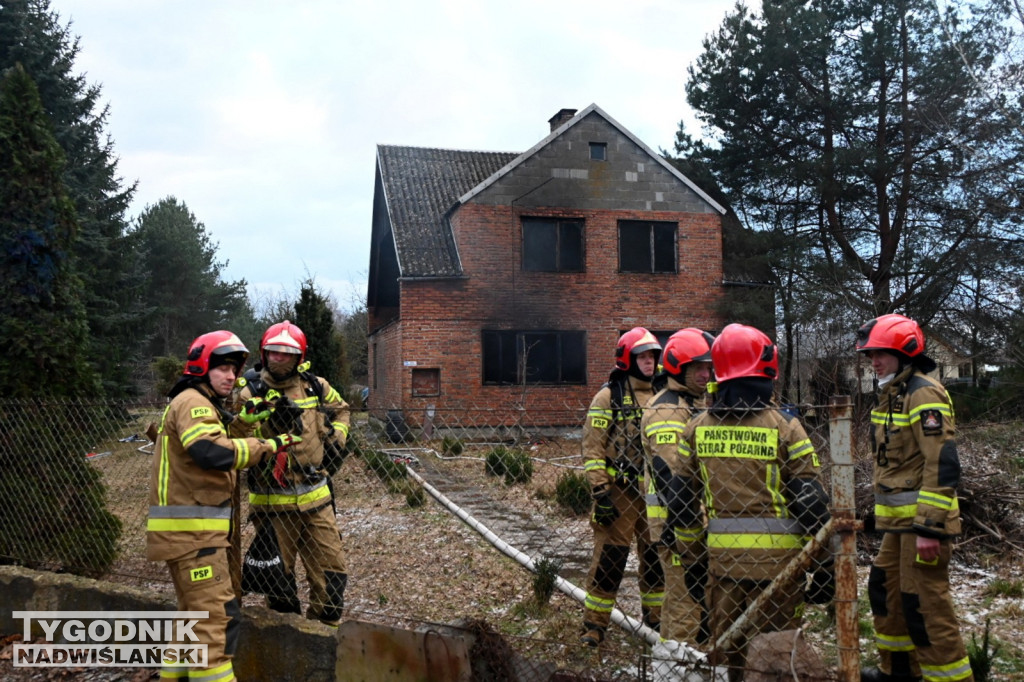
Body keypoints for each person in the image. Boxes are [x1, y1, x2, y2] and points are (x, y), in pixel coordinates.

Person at [146, 330, 303, 682]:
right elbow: (210, 452)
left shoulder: (192, 401)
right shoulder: (194, 403)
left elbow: (210, 443)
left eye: (234, 369)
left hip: (189, 535)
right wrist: (268, 444)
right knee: (216, 619)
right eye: (223, 368)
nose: (231, 376)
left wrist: (243, 424)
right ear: (202, 367)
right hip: (195, 536)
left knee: (192, 616)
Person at [678, 323, 828, 680]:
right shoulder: (786, 428)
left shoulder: (696, 428)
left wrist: (693, 561)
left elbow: (681, 504)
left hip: (722, 566)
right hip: (780, 571)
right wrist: (824, 565)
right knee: (775, 658)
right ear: (766, 369)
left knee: (731, 655)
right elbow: (811, 503)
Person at [856, 314, 973, 682]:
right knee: (886, 591)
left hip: (922, 526)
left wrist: (929, 527)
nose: (874, 361)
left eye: (882, 354)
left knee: (923, 605)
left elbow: (942, 461)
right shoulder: (893, 393)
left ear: (905, 354)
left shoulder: (923, 392)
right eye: (871, 354)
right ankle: (900, 673)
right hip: (900, 525)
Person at [235, 320, 352, 626]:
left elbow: (342, 409)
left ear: (300, 357)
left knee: (332, 585)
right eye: (273, 352)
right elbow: (235, 440)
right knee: (279, 593)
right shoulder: (250, 393)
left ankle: (321, 647)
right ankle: (289, 653)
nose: (279, 358)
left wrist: (336, 438)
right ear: (264, 353)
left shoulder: (316, 386)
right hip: (273, 507)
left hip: (317, 501)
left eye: (287, 354)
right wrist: (263, 430)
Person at [580, 327, 666, 647]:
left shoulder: (662, 395)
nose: (649, 362)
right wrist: (601, 492)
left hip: (656, 493)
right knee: (611, 559)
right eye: (642, 356)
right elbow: (593, 447)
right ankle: (595, 623)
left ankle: (655, 618)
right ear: (627, 358)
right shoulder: (609, 396)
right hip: (620, 492)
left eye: (652, 356)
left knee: (655, 557)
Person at [640, 328, 715, 646]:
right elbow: (676, 482)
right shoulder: (669, 411)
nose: (706, 373)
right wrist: (688, 525)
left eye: (709, 366)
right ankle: (680, 669)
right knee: (687, 608)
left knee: (682, 604)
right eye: (698, 366)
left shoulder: (687, 404)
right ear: (678, 367)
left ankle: (674, 666)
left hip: (685, 526)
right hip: (676, 528)